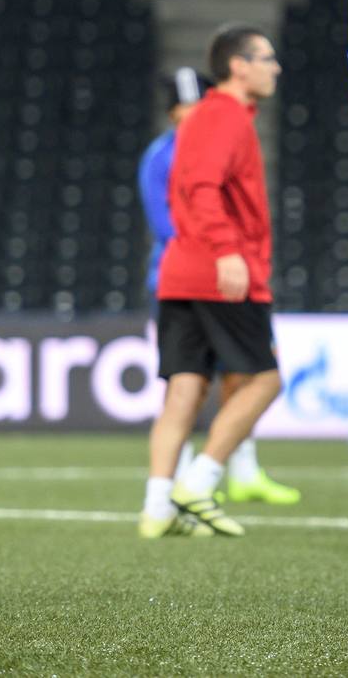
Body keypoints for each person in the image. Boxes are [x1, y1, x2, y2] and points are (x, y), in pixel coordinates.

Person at [136, 68, 299, 533]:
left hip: (178, 274)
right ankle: (201, 479)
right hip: (212, 272)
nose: (192, 113)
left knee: (200, 386)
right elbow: (174, 218)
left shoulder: (190, 143)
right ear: (171, 112)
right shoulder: (192, 144)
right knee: (255, 377)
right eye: (183, 107)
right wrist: (226, 251)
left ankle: (163, 506)